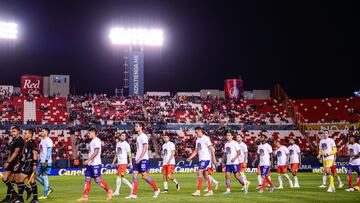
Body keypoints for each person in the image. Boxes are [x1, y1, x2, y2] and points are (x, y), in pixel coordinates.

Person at [77, 128, 113, 201]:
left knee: (98, 180)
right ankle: (85, 197)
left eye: (89, 133)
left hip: (96, 164)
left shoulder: (97, 140)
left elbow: (96, 152)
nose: (88, 134)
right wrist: (88, 162)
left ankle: (109, 191)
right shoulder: (92, 141)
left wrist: (88, 160)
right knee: (87, 179)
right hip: (90, 164)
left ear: (93, 133)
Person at [126, 123, 160, 199]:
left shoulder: (143, 136)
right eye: (135, 126)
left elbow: (145, 148)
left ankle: (156, 189)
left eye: (137, 126)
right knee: (134, 174)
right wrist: (136, 158)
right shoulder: (138, 137)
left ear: (141, 127)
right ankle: (134, 194)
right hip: (138, 159)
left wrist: (140, 158)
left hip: (143, 159)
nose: (135, 127)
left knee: (144, 176)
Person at [187, 127, 217, 196]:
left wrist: (214, 159)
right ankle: (210, 191)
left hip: (206, 159)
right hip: (201, 159)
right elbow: (196, 151)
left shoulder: (206, 138)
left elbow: (212, 149)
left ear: (200, 131)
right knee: (205, 174)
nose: (196, 134)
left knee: (199, 172)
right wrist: (190, 157)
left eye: (197, 132)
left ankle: (198, 191)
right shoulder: (198, 140)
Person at [14, 129, 39, 203]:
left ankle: (20, 198)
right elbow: (25, 156)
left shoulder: (32, 143)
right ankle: (35, 199)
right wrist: (19, 164)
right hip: (27, 163)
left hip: (30, 163)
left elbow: (35, 154)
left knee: (19, 179)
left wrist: (34, 164)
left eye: (25, 133)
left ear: (30, 134)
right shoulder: (27, 143)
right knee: (32, 181)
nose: (24, 134)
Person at [1, 126, 24, 202]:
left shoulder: (20, 140)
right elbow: (11, 152)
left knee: (14, 179)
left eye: (14, 131)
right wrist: (7, 161)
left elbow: (16, 152)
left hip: (16, 161)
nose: (12, 132)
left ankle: (18, 196)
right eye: (11, 131)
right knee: (6, 178)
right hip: (11, 161)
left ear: (18, 132)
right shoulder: (14, 140)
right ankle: (13, 194)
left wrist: (8, 162)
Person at [111, 132, 133, 196]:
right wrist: (113, 162)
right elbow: (116, 154)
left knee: (118, 176)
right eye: (122, 136)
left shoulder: (126, 144)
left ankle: (117, 191)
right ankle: (132, 187)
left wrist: (131, 163)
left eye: (124, 136)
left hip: (123, 162)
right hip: (119, 163)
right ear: (119, 136)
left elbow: (129, 154)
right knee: (122, 178)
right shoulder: (118, 144)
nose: (123, 137)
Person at [35, 128, 54, 199]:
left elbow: (49, 152)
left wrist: (46, 162)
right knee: (35, 176)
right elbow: (42, 151)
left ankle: (45, 194)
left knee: (44, 176)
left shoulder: (49, 141)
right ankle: (48, 188)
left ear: (47, 132)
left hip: (46, 162)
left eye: (43, 131)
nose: (41, 132)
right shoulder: (42, 140)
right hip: (41, 161)